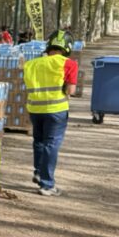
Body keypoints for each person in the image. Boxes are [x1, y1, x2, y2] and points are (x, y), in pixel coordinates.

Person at [23, 30, 77, 196]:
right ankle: (47, 185)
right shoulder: (69, 64)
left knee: (38, 141)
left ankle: (38, 172)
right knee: (51, 144)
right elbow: (70, 91)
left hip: (35, 109)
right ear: (67, 47)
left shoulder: (31, 64)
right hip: (56, 110)